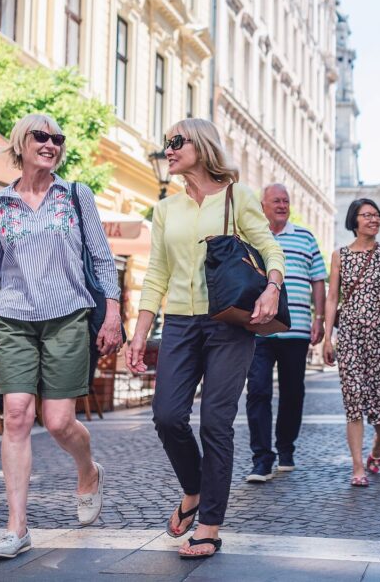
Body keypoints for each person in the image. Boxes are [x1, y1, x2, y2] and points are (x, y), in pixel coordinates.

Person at [0, 113, 123, 560]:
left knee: (58, 422)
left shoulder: (75, 196)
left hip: (68, 316)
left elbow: (103, 260)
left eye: (58, 138)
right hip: (12, 319)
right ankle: (17, 527)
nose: (51, 143)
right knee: (16, 415)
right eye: (42, 136)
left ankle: (88, 471)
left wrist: (112, 313)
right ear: (22, 143)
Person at [125, 119, 284, 559]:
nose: (169, 149)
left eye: (177, 142)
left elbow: (271, 249)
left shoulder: (237, 197)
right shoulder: (166, 210)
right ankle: (192, 491)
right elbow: (157, 273)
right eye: (167, 142)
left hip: (229, 323)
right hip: (178, 323)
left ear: (203, 145)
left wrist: (272, 287)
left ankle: (210, 525)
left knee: (216, 422)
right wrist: (139, 334)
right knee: (167, 415)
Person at [323, 199, 380, 486]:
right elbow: (333, 297)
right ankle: (357, 467)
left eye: (376, 215)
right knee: (354, 399)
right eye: (366, 215)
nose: (373, 219)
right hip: (349, 333)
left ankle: (378, 446)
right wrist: (327, 337)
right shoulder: (340, 256)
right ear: (354, 221)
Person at [245, 183, 326, 482]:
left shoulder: (305, 237)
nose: (282, 205)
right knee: (258, 391)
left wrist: (320, 319)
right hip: (258, 328)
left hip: (297, 328)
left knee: (293, 392)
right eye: (276, 201)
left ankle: (286, 449)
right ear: (262, 205)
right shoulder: (251, 234)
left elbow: (319, 279)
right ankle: (261, 459)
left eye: (286, 201)